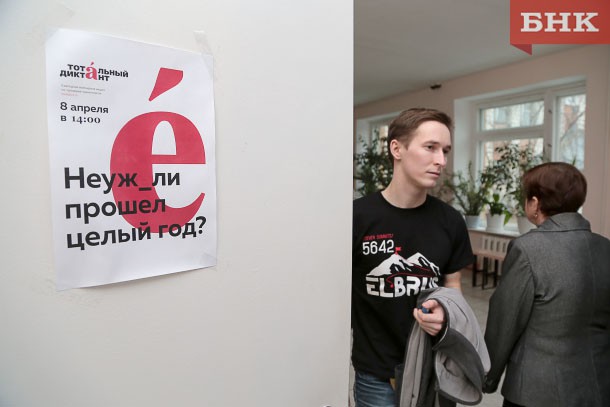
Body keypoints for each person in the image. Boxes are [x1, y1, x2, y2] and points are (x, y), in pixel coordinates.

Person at [352, 107, 474, 406]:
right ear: (397, 149)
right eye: (430, 147)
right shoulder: (357, 217)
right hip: (376, 373)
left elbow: (453, 287)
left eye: (445, 151)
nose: (441, 160)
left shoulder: (450, 221)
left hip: (435, 367)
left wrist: (447, 315)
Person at [483, 162, 610, 407]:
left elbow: (506, 320)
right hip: (598, 387)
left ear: (534, 203)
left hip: (536, 391)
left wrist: (488, 376)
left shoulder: (527, 248)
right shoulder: (605, 247)